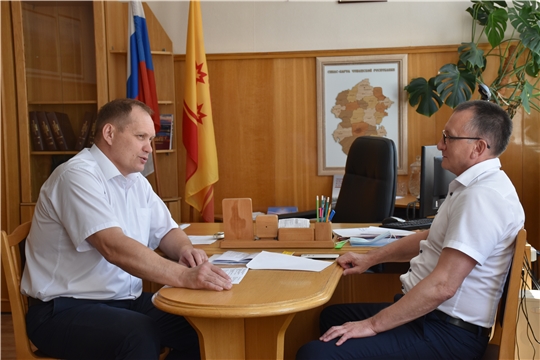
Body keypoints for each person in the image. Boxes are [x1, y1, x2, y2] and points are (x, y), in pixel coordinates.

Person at [297, 100, 525, 360]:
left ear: (479, 147)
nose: (440, 146)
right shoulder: (472, 187)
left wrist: (371, 325)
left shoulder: (482, 197)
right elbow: (429, 238)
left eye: (448, 138)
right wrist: (370, 259)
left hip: (447, 336)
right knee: (332, 317)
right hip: (431, 318)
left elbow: (443, 286)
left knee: (314, 354)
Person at [21, 98, 232, 360]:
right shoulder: (76, 176)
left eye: (151, 139)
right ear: (110, 133)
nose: (149, 148)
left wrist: (186, 250)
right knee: (139, 334)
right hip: (63, 309)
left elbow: (167, 231)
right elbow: (113, 247)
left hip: (124, 301)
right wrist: (184, 276)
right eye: (141, 136)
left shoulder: (135, 181)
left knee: (202, 325)